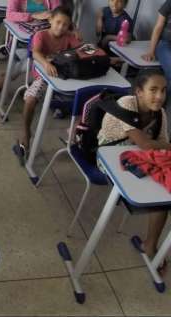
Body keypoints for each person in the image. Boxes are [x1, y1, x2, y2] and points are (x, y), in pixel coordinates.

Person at [97, 69, 170, 274]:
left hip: (136, 160)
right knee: (160, 192)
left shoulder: (160, 113)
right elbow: (147, 144)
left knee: (164, 195)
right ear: (139, 92)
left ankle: (150, 244)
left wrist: (160, 146)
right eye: (153, 90)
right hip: (108, 159)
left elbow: (163, 145)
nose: (160, 96)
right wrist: (158, 146)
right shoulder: (126, 104)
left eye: (163, 91)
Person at [12, 6, 80, 164]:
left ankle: (74, 135)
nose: (61, 27)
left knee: (87, 97)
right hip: (43, 77)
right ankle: (26, 134)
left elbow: (80, 51)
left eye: (65, 24)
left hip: (64, 79)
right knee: (30, 99)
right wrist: (46, 64)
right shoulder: (41, 35)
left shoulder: (69, 36)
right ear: (50, 20)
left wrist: (78, 38)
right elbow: (36, 53)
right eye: (58, 22)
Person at [0, 0, 65, 102]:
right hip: (20, 43)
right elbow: (9, 14)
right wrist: (32, 16)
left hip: (43, 44)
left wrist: (68, 26)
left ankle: (27, 89)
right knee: (24, 67)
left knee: (41, 65)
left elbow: (61, 15)